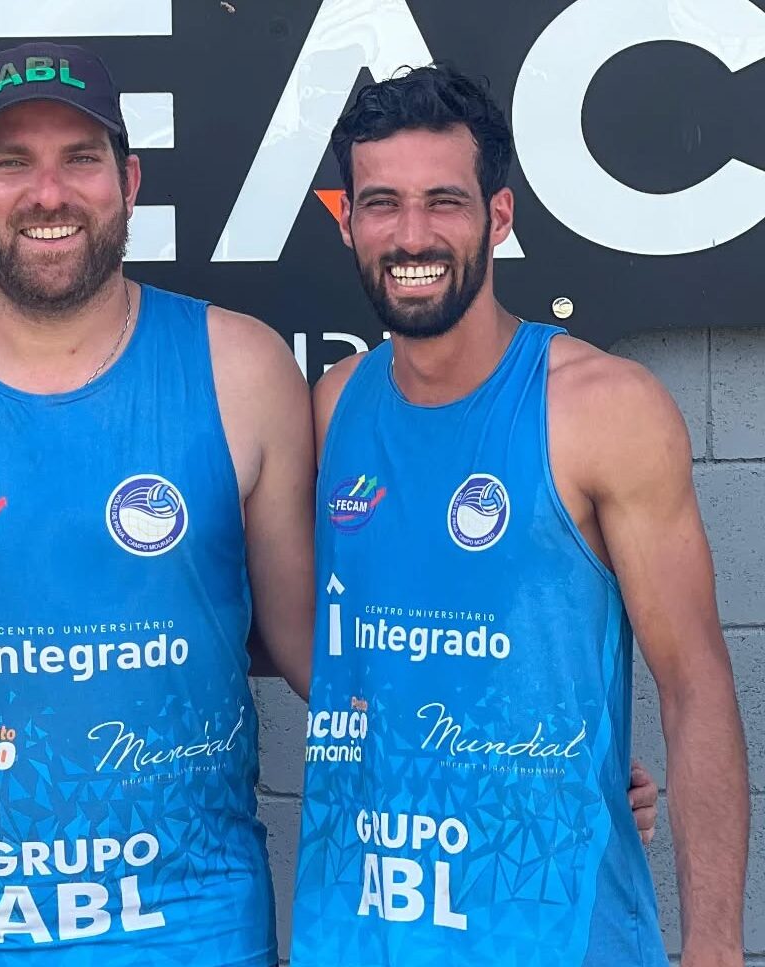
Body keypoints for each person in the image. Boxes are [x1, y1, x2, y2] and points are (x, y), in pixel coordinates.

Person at [0, 41, 315, 965]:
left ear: (129, 181)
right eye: (11, 162)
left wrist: (554, 756)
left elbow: (313, 649)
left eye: (81, 157)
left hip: (193, 921)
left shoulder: (243, 368)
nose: (49, 192)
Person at [290, 65, 748, 966]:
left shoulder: (602, 407)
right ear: (348, 219)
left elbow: (696, 685)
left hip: (559, 933)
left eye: (444, 201)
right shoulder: (333, 405)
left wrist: (717, 947)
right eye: (381, 202)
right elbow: (341, 650)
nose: (411, 233)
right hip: (355, 929)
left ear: (497, 217)